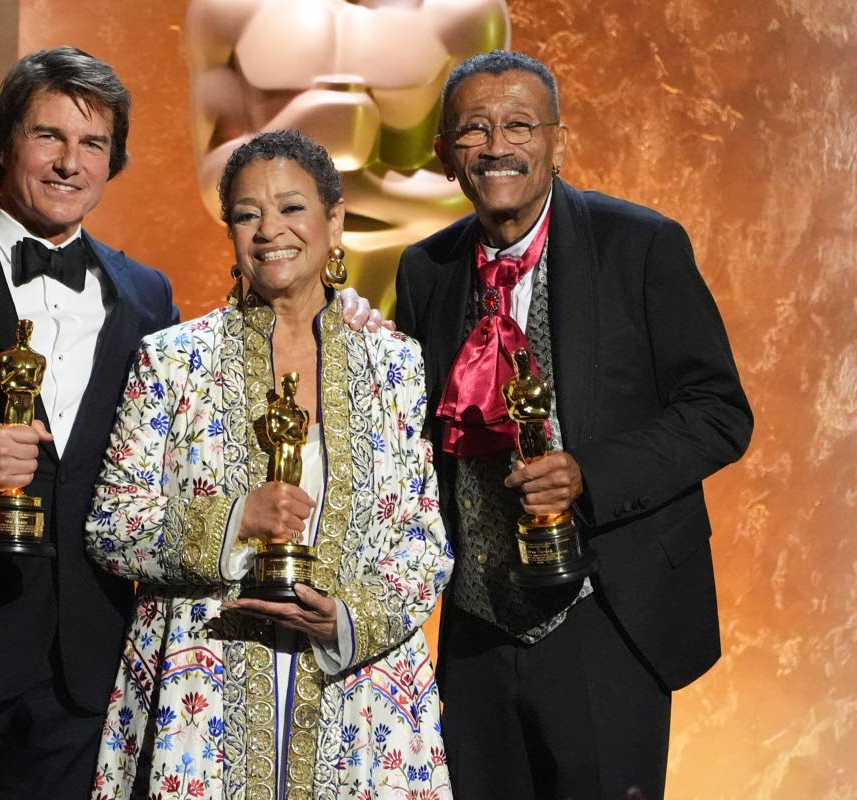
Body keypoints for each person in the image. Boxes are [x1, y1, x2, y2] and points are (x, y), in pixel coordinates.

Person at [0, 47, 384, 799]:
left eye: (91, 144)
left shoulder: (146, 294)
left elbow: (195, 441)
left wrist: (337, 325)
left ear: (112, 161)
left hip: (88, 670)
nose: (68, 163)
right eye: (48, 136)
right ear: (3, 144)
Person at [395, 50, 752, 799]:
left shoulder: (642, 247)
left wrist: (590, 472)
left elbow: (720, 413)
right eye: (474, 130)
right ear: (443, 155)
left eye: (520, 125)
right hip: (477, 622)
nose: (497, 147)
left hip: (611, 616)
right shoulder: (423, 270)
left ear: (559, 141)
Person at [85, 130, 453, 800]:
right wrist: (232, 521)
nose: (269, 231)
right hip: (202, 691)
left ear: (334, 219)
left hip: (360, 697)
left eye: (291, 208)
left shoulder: (395, 365)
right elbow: (112, 525)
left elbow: (423, 542)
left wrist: (344, 620)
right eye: (247, 214)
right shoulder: (172, 360)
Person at [185, 0, 510, 310]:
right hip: (280, 300)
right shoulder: (226, 11)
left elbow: (486, 187)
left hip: (408, 296)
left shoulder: (465, 12)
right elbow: (215, 183)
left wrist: (355, 189)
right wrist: (303, 123)